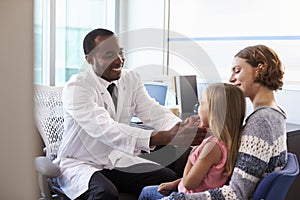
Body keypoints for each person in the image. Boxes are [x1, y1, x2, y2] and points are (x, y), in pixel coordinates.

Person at [53, 28, 206, 200]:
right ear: (90, 59)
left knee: (167, 180)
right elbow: (105, 128)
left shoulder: (130, 79)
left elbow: (152, 111)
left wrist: (180, 127)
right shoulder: (77, 87)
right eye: (109, 54)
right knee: (105, 193)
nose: (119, 60)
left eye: (120, 52)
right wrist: (162, 137)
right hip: (80, 162)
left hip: (113, 160)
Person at [161, 44, 287, 200]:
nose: (231, 78)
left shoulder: (261, 122)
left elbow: (238, 194)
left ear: (259, 68)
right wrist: (178, 183)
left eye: (237, 70)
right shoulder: (275, 115)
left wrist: (176, 198)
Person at [138, 83, 246, 200]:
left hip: (189, 196)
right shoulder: (229, 141)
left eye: (201, 104)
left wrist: (192, 154)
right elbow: (203, 177)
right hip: (198, 192)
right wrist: (174, 184)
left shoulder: (211, 147)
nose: (198, 109)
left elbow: (189, 183)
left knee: (147, 192)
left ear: (213, 112)